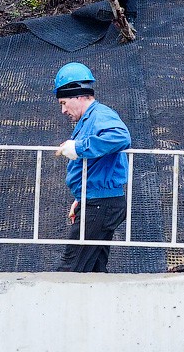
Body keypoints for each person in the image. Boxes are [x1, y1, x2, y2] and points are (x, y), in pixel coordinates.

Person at [53, 62, 131, 272]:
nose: (63, 110)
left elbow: (121, 137)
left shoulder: (100, 115)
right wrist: (81, 197)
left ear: (77, 96)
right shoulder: (90, 119)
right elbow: (96, 165)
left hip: (100, 205)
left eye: (63, 103)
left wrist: (78, 148)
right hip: (98, 201)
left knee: (70, 271)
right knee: (95, 271)